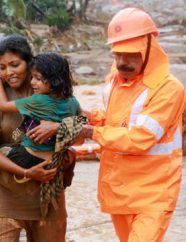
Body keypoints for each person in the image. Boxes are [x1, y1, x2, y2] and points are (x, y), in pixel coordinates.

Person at [79, 8, 185, 242]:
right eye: (117, 55)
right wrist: (90, 116)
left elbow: (141, 137)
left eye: (130, 55)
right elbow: (116, 118)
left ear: (149, 48)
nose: (121, 62)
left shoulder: (169, 89)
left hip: (153, 193)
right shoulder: (114, 79)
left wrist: (92, 131)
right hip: (119, 189)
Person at [0, 35, 68, 241]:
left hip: (47, 193)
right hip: (5, 192)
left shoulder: (52, 93)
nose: (8, 73)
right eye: (2, 67)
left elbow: (80, 131)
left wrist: (58, 127)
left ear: (30, 62)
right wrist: (25, 171)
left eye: (15, 65)